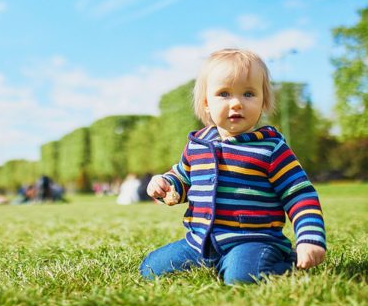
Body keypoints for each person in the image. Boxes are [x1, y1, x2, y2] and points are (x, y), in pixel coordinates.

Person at [140, 48, 326, 285]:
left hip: (252, 240)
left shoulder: (270, 148)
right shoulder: (198, 144)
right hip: (201, 242)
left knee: (241, 278)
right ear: (207, 103)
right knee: (150, 269)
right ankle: (218, 261)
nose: (237, 103)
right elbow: (184, 178)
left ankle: (283, 259)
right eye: (224, 94)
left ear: (264, 101)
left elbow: (299, 194)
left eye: (248, 94)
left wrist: (310, 237)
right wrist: (167, 183)